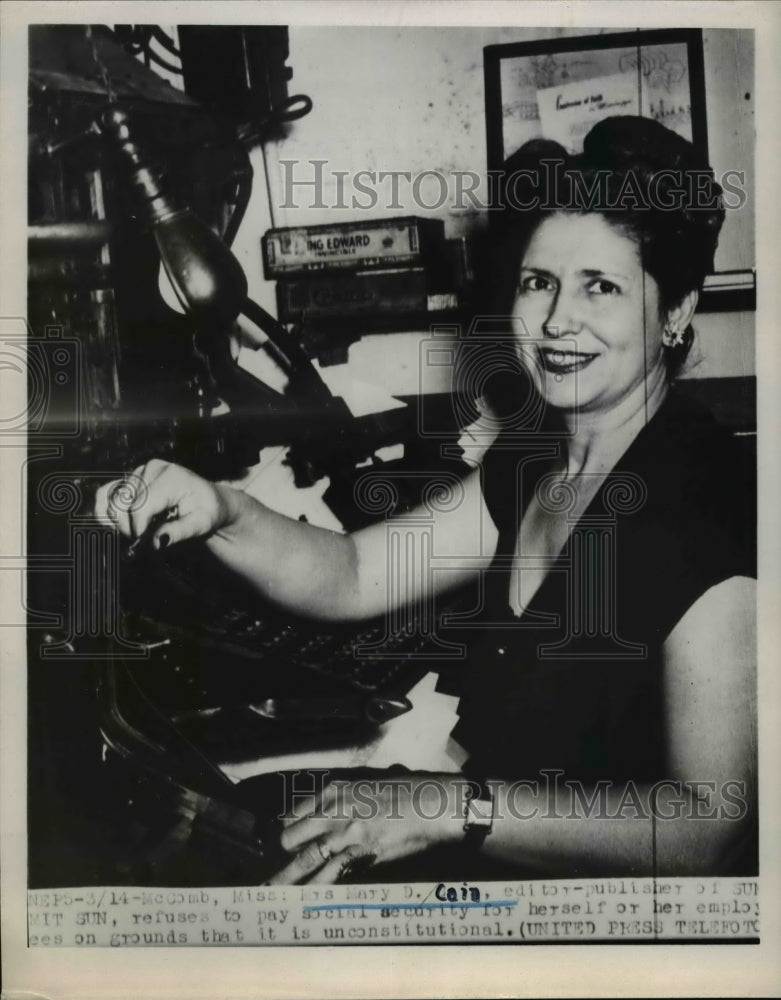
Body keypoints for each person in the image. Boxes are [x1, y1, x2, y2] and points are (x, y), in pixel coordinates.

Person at [95, 116, 757, 882]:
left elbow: (709, 831)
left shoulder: (714, 509)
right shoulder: (537, 459)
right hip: (499, 861)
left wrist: (446, 807)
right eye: (538, 282)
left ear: (674, 313)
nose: (553, 321)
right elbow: (352, 573)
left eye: (599, 287)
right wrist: (219, 509)